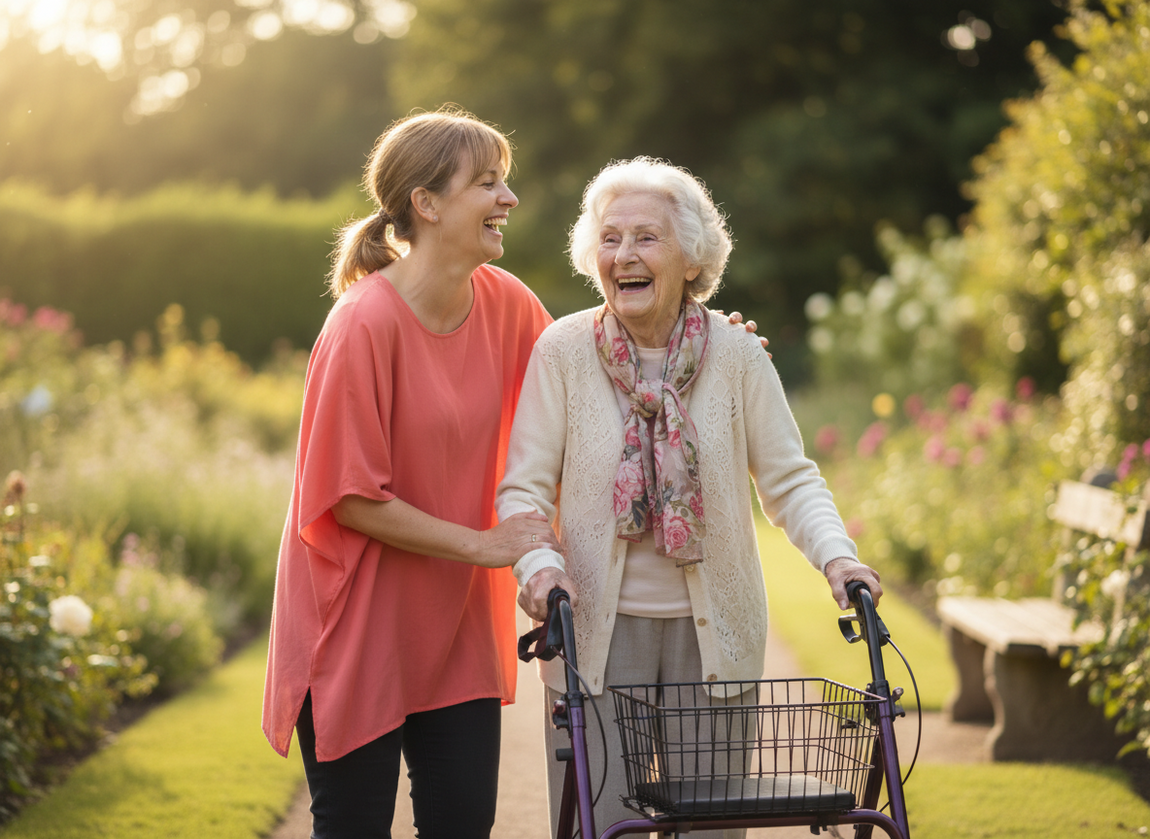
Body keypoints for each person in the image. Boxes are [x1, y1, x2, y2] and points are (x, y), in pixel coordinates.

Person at [261, 111, 763, 839]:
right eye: (488, 183)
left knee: (464, 823)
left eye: (506, 181)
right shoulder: (361, 325)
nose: (510, 199)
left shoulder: (507, 304)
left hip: (453, 628)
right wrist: (489, 544)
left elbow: (602, 368)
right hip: (355, 625)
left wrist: (713, 340)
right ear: (427, 205)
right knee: (352, 827)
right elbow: (348, 500)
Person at [495, 156, 883, 838]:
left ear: (691, 256)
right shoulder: (561, 351)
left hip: (715, 643)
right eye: (610, 238)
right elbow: (523, 487)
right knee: (597, 825)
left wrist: (838, 559)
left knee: (710, 830)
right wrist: (537, 567)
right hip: (593, 638)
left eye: (646, 237)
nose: (624, 255)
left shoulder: (738, 354)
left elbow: (790, 478)